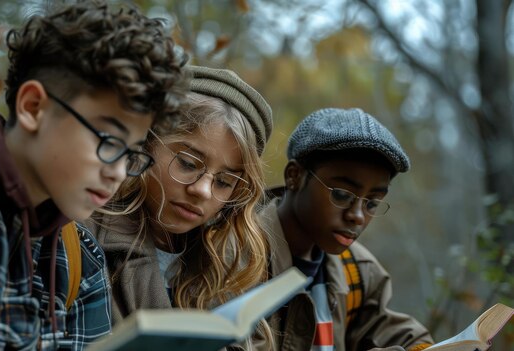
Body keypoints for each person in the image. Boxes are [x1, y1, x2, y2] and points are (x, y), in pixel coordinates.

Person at [0, 1, 188, 349]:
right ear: (33, 107)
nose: (119, 172)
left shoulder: (81, 256)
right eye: (108, 141)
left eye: (131, 153)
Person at [87, 65, 273, 348]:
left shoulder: (228, 269)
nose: (202, 190)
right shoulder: (85, 238)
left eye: (224, 181)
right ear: (147, 145)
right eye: (187, 164)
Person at [259, 108, 434, 351]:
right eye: (341, 195)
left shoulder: (358, 273)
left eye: (372, 203)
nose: (357, 216)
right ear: (295, 176)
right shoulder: (232, 254)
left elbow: (397, 334)